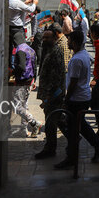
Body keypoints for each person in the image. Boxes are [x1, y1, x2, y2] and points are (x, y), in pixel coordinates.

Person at [54, 30, 99, 169]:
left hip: (76, 98)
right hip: (82, 97)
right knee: (81, 124)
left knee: (72, 129)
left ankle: (71, 157)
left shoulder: (77, 59)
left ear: (75, 42)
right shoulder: (83, 55)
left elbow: (73, 82)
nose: (68, 42)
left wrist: (66, 99)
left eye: (70, 40)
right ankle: (97, 144)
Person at [35, 29, 66, 159]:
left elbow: (55, 77)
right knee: (58, 120)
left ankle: (50, 148)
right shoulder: (48, 51)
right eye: (43, 38)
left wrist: (48, 96)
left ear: (54, 38)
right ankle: (73, 137)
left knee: (50, 122)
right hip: (49, 94)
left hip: (53, 95)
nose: (44, 40)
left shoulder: (56, 52)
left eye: (47, 38)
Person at [8, 31, 42, 138]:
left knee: (17, 106)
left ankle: (34, 123)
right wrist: (34, 81)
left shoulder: (20, 50)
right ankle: (23, 130)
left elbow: (21, 67)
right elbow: (35, 65)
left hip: (22, 82)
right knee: (24, 106)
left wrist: (13, 73)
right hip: (29, 81)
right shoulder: (30, 49)